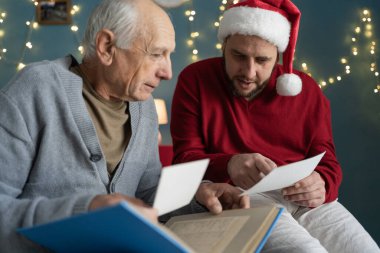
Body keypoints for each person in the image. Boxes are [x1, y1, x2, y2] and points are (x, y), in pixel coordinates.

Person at [0, 0, 249, 252]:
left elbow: (148, 190)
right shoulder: (36, 89)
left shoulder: (145, 107)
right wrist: (86, 212)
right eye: (156, 54)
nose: (168, 72)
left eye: (169, 55)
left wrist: (197, 195)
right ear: (107, 47)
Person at [171, 0, 380, 252]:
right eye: (239, 56)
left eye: (262, 60)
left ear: (278, 57)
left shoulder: (307, 90)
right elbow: (184, 161)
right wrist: (228, 163)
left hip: (305, 199)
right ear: (224, 45)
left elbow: (328, 161)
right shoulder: (195, 80)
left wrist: (322, 182)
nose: (249, 72)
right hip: (242, 196)